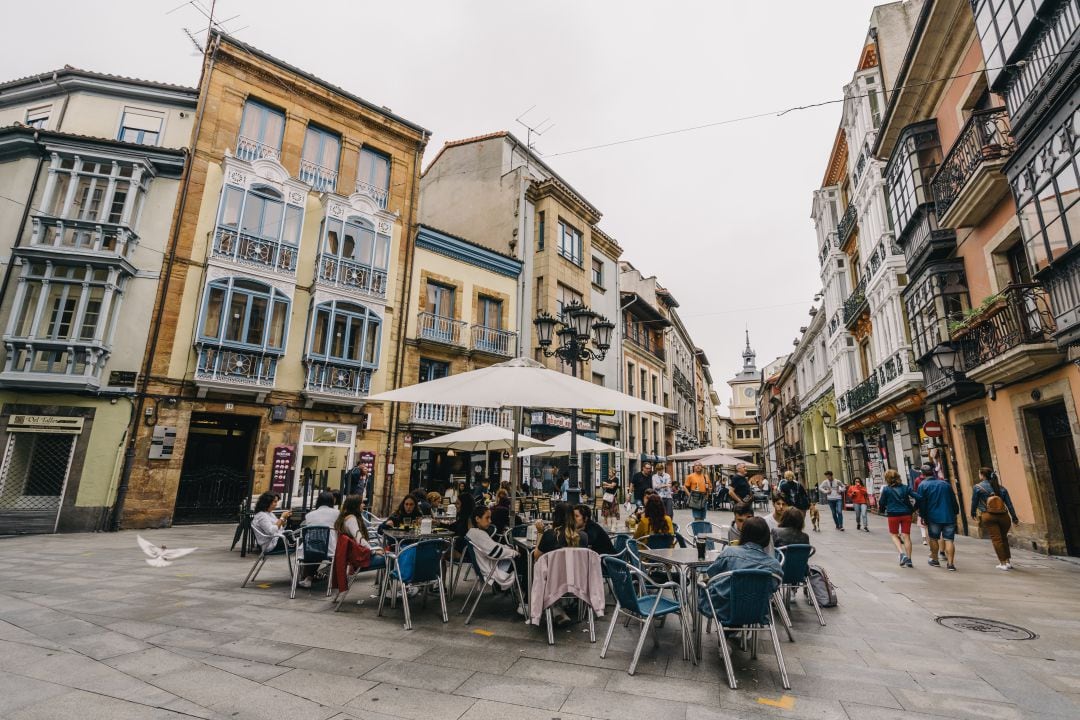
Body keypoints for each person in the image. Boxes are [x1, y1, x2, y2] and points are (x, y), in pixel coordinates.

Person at [700, 517, 782, 622]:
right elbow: (773, 587)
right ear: (766, 536)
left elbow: (712, 574)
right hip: (757, 612)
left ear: (743, 534)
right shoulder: (774, 565)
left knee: (705, 585)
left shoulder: (729, 553)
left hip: (724, 610)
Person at [466, 506, 524, 614]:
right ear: (477, 519)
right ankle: (525, 601)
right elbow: (494, 552)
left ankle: (524, 598)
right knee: (525, 562)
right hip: (492, 571)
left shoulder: (473, 532)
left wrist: (508, 548)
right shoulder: (479, 535)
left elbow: (493, 546)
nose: (490, 521)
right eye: (487, 518)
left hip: (486, 568)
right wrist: (514, 552)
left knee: (522, 560)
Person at [970, 467, 1021, 570]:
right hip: (1004, 516)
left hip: (989, 515)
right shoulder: (1002, 488)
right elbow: (1009, 505)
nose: (979, 476)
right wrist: (1014, 518)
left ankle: (1002, 563)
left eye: (979, 474)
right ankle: (1007, 562)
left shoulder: (978, 487)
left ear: (982, 475)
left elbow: (974, 501)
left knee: (996, 539)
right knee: (1003, 538)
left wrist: (973, 513)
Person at [917, 471, 961, 571]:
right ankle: (950, 564)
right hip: (948, 516)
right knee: (949, 540)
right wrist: (955, 512)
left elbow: (921, 502)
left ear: (923, 475)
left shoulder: (922, 485)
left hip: (933, 517)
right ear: (933, 473)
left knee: (933, 538)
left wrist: (922, 515)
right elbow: (953, 500)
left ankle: (935, 560)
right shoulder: (945, 484)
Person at [297, 491, 340, 588]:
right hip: (330, 549)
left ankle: (308, 577)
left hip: (308, 550)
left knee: (316, 547)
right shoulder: (337, 513)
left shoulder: (309, 515)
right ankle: (333, 577)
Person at [334, 495, 386, 569]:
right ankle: (383, 580)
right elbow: (360, 540)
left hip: (352, 556)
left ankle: (380, 580)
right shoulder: (351, 519)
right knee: (389, 558)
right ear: (355, 505)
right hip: (356, 559)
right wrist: (374, 552)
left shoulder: (345, 518)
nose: (364, 505)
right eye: (361, 503)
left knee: (382, 551)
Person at [878, 469, 916, 568]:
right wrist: (914, 508)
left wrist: (881, 510)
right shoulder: (905, 487)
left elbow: (882, 502)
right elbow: (918, 497)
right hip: (906, 514)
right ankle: (909, 559)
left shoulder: (886, 489)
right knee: (906, 536)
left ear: (887, 479)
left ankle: (901, 554)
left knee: (894, 535)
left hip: (893, 514)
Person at [913, 463, 935, 548]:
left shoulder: (918, 481)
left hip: (923, 504)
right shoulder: (938, 480)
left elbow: (916, 494)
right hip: (934, 504)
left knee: (924, 525)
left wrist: (915, 508)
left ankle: (926, 540)